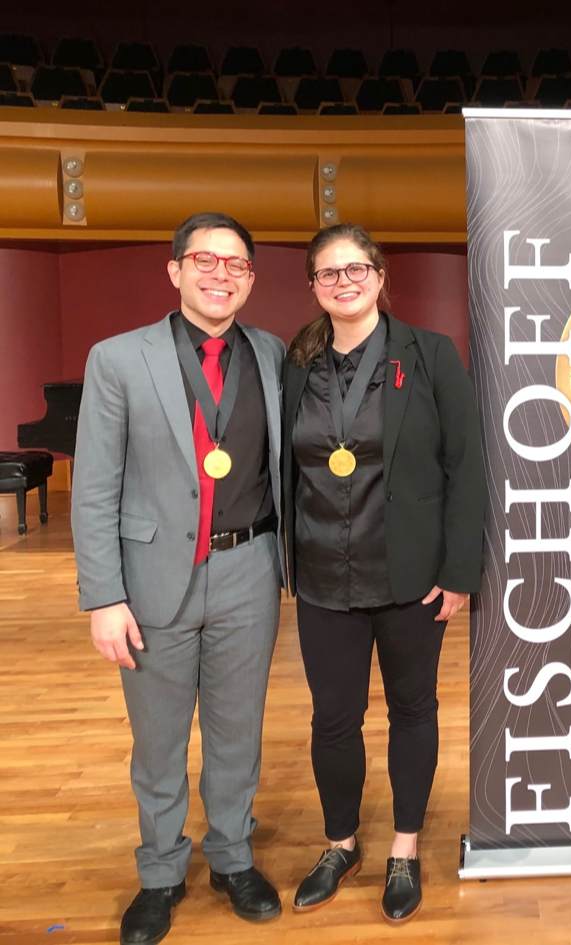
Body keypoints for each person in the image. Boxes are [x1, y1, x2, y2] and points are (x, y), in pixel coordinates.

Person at [72, 212, 286, 945]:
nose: (220, 274)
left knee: (237, 731)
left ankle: (231, 854)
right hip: (152, 574)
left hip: (250, 568)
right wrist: (103, 595)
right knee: (159, 740)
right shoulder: (118, 358)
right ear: (175, 270)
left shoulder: (272, 353)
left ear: (251, 279)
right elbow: (94, 487)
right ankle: (160, 871)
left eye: (236, 264)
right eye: (205, 260)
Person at [282, 224, 484, 925]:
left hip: (410, 577)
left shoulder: (429, 355)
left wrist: (460, 570)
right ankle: (340, 843)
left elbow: (468, 466)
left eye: (356, 268)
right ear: (313, 285)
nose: (345, 281)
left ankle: (403, 846)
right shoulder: (296, 363)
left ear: (379, 274)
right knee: (333, 718)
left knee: (411, 710)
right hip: (321, 576)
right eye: (329, 273)